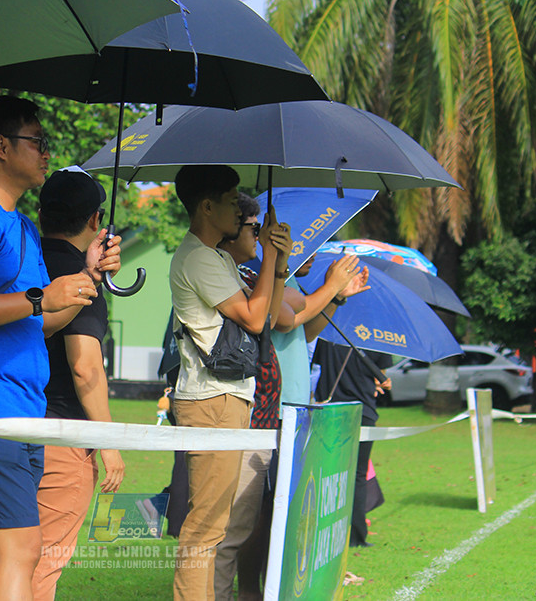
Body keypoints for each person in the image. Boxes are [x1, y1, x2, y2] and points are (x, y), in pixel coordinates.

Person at [0, 96, 121, 601]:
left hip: (19, 412)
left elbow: (40, 324)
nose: (47, 152)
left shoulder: (24, 228)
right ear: (2, 146)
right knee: (20, 552)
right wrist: (38, 297)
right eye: (38, 141)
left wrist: (87, 278)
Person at [212, 197, 368, 601]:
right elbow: (284, 317)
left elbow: (303, 328)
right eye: (305, 243)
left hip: (294, 406)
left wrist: (333, 296)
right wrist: (327, 288)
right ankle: (244, 588)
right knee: (249, 512)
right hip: (265, 408)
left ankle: (257, 587)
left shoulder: (290, 279)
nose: (311, 252)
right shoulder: (251, 270)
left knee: (275, 510)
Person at [168, 165, 291, 601]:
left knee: (213, 527)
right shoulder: (199, 257)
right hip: (212, 400)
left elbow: (266, 321)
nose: (240, 212)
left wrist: (277, 265)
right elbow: (257, 318)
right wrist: (271, 255)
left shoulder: (216, 256)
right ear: (206, 206)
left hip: (227, 397)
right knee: (204, 529)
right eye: (232, 201)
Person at [32, 167, 126, 600]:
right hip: (61, 435)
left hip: (8, 419)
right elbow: (85, 366)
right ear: (96, 222)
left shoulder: (23, 256)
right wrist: (106, 440)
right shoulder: (78, 275)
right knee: (42, 564)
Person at [313, 340, 393, 548]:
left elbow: (319, 365)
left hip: (329, 410)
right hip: (362, 411)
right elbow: (380, 375)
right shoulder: (378, 338)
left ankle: (323, 533)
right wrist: (378, 382)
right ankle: (356, 536)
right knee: (357, 474)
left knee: (328, 473)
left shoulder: (329, 335)